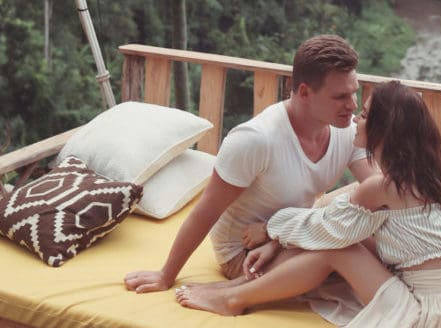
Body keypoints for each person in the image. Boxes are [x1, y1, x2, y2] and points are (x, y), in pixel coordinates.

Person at [174, 81, 441, 328]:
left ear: (386, 129)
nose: (357, 117)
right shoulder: (421, 179)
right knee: (343, 234)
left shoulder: (383, 187)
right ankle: (232, 290)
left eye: (367, 115)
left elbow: (327, 228)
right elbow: (343, 218)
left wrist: (270, 228)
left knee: (336, 249)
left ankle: (233, 299)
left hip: (422, 315)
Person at [124, 34, 376, 295]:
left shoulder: (346, 131)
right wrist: (166, 275)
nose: (353, 105)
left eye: (354, 92)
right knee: (345, 249)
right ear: (304, 92)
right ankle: (229, 295)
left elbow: (376, 188)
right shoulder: (256, 140)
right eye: (340, 97)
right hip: (245, 253)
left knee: (369, 205)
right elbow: (206, 211)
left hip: (290, 231)